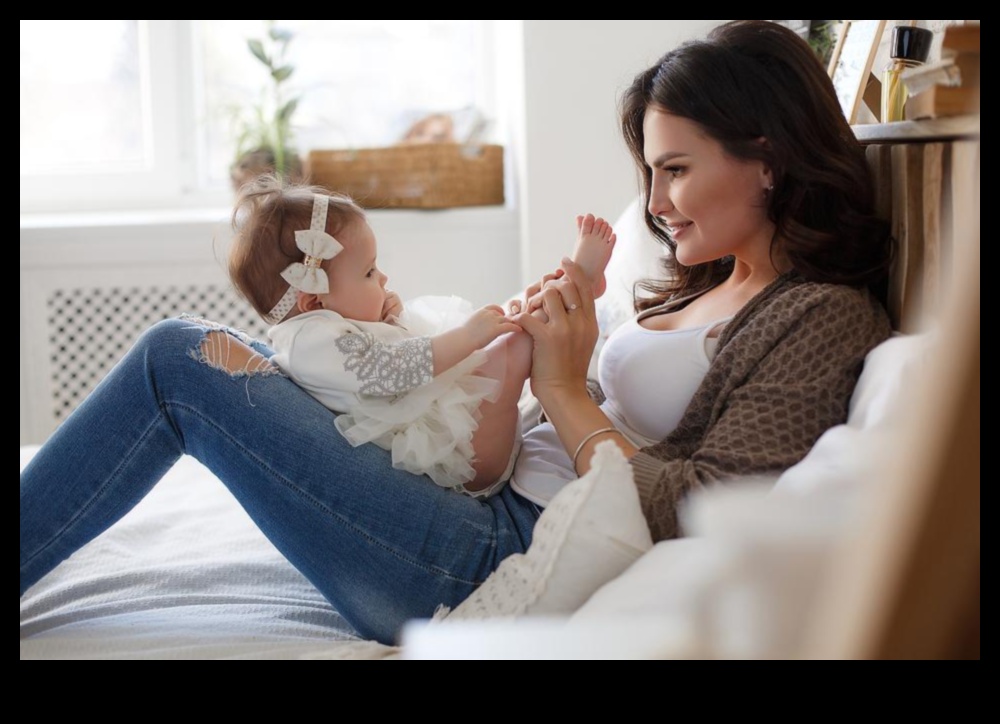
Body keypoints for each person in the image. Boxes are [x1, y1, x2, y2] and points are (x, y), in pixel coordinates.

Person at [20, 20, 893, 647]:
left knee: (178, 360)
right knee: (236, 354)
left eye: (675, 171)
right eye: (649, 175)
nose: (656, 207)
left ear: (769, 159)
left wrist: (556, 385)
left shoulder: (820, 317)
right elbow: (600, 413)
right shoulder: (703, 282)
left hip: (482, 556)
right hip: (474, 499)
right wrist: (533, 359)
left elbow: (705, 506)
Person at [227, 175, 616, 496]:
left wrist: (390, 322)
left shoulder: (320, 329)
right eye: (368, 273)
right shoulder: (309, 342)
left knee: (512, 321)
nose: (382, 278)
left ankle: (569, 288)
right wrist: (467, 336)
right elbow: (391, 371)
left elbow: (370, 373)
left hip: (458, 427)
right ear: (313, 301)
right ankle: (575, 284)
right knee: (513, 343)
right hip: (456, 455)